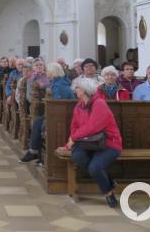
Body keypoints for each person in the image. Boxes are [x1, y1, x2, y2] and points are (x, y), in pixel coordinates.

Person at [57, 76, 123, 208]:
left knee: (94, 167)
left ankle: (108, 193)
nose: (74, 90)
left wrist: (74, 139)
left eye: (76, 88)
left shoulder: (99, 104)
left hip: (108, 143)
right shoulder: (79, 106)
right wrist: (68, 144)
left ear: (84, 90)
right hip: (88, 143)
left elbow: (93, 127)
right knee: (78, 156)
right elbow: (74, 127)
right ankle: (109, 181)